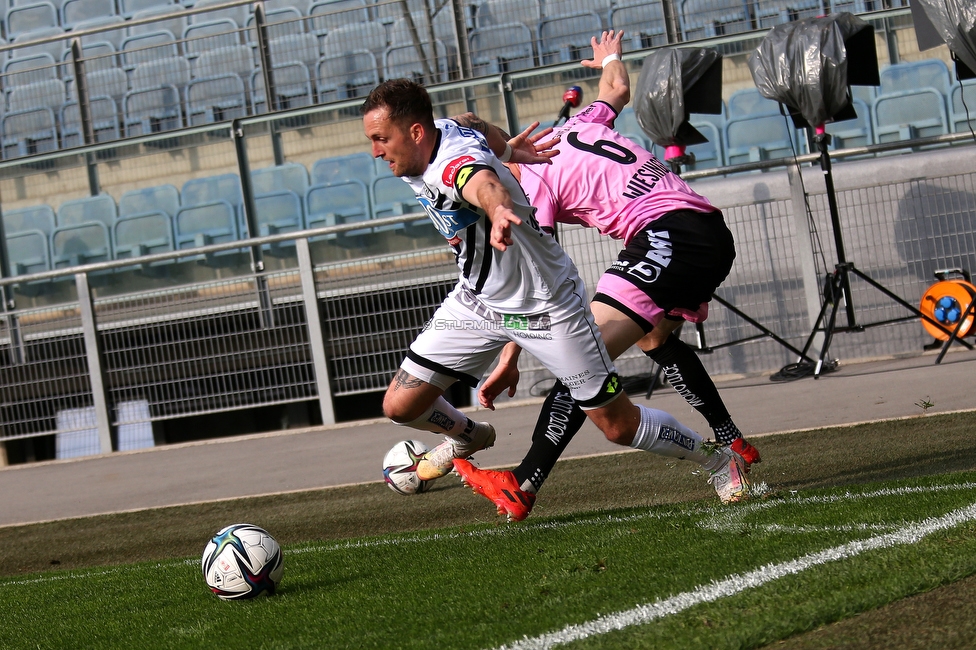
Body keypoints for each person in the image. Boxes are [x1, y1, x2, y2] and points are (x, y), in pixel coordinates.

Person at [361, 76, 748, 518]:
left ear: (414, 132)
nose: (375, 151)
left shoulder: (453, 163)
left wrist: (498, 204)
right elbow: (471, 122)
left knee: (619, 427)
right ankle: (470, 435)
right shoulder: (446, 130)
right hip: (477, 301)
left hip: (548, 310)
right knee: (400, 404)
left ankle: (721, 459)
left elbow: (478, 180)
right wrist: (509, 149)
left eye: (380, 139)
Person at [450, 30, 761, 521]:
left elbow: (538, 274)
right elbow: (616, 89)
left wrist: (509, 355)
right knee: (654, 340)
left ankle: (524, 482)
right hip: (703, 229)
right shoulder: (578, 124)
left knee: (582, 359)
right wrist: (611, 56)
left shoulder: (527, 179)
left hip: (668, 234)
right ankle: (731, 441)